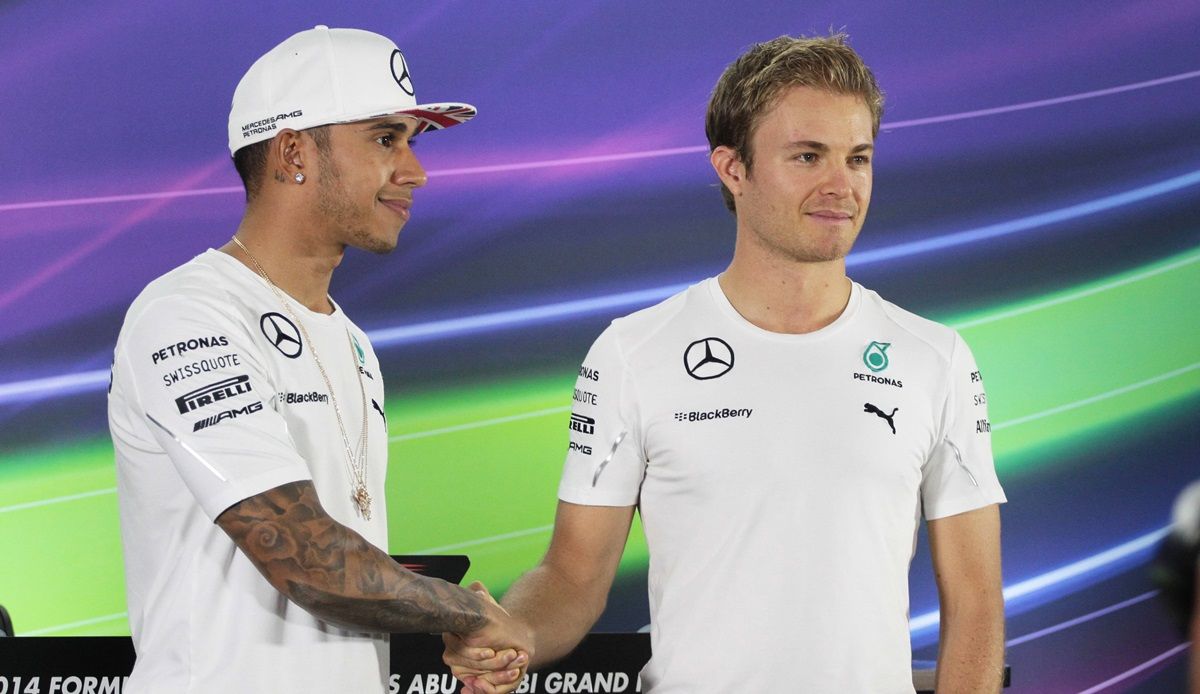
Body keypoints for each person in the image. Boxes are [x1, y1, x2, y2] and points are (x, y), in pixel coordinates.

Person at [445, 33, 1007, 693]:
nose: (841, 185)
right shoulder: (633, 352)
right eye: (808, 156)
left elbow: (976, 599)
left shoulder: (934, 358)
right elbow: (573, 576)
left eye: (858, 158)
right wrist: (514, 634)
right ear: (732, 169)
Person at [108, 26, 528, 693]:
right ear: (294, 153)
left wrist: (464, 639)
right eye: (385, 139)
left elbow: (341, 562)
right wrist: (467, 614)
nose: (415, 172)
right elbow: (306, 560)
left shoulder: (351, 340)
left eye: (413, 143)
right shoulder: (188, 313)